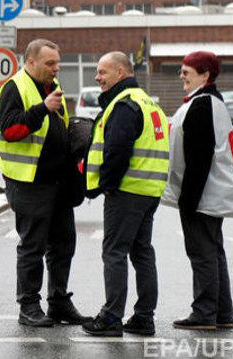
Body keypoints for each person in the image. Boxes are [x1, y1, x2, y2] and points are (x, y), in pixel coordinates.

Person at [0, 38, 91, 327]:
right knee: (33, 246)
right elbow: (10, 129)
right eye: (50, 63)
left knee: (64, 243)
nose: (56, 68)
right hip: (29, 181)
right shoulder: (15, 87)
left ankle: (59, 302)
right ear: (31, 62)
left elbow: (57, 128)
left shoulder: (53, 87)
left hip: (58, 180)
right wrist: (42, 108)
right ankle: (28, 306)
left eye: (57, 63)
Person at [82, 51, 169, 337]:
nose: (97, 78)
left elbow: (117, 151)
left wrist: (105, 184)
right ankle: (144, 317)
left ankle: (111, 317)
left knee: (114, 252)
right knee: (142, 252)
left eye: (102, 72)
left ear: (120, 73)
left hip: (126, 190)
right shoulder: (149, 104)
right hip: (149, 191)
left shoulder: (124, 104)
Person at [161, 51, 233, 330]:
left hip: (202, 195)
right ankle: (221, 314)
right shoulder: (213, 102)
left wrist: (188, 200)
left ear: (205, 75)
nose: (181, 76)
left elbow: (198, 159)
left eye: (187, 71)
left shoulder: (201, 105)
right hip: (212, 193)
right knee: (213, 252)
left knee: (202, 254)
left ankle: (204, 312)